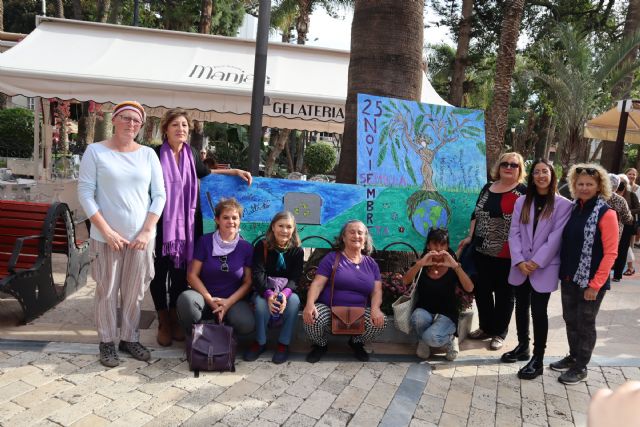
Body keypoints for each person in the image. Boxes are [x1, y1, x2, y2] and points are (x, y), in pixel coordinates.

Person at [150, 108, 251, 347]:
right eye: (176, 125)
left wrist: (234, 171)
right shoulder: (153, 154)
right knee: (158, 274)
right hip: (161, 223)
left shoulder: (192, 154)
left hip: (185, 226)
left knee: (178, 274)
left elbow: (207, 173)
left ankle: (175, 317)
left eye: (184, 125)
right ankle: (163, 319)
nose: (181, 129)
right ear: (166, 129)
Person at [78, 101, 166, 368]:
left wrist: (148, 230)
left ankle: (129, 338)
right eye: (126, 118)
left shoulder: (148, 155)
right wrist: (106, 230)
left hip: (141, 239)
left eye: (136, 121)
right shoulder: (95, 152)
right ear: (114, 120)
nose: (131, 124)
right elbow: (85, 193)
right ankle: (106, 342)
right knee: (106, 290)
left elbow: (159, 195)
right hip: (106, 238)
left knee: (134, 292)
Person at [503, 159, 572, 379]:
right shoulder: (522, 201)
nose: (541, 175)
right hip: (520, 265)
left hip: (543, 267)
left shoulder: (563, 205)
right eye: (536, 172)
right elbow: (513, 232)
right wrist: (520, 260)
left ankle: (538, 358)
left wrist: (536, 261)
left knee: (539, 312)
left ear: (552, 175)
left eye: (545, 172)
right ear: (531, 177)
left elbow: (556, 237)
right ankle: (522, 346)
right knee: (521, 307)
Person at [552, 163, 618, 385]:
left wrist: (596, 284)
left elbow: (611, 253)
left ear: (599, 186)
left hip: (591, 282)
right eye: (580, 183)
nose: (584, 187)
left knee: (585, 323)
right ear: (574, 184)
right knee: (570, 320)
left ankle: (581, 367)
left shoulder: (606, 213)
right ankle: (573, 356)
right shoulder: (573, 208)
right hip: (569, 277)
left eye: (589, 184)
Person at [458, 152, 527, 350]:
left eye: (514, 165)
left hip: (508, 252)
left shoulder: (523, 192)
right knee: (483, 291)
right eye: (505, 163)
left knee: (505, 294)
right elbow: (476, 214)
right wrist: (471, 236)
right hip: (481, 249)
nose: (508, 167)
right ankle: (486, 327)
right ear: (498, 166)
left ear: (519, 169)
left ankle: (499, 332)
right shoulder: (488, 188)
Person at [302, 220, 387, 363]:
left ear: (365, 238)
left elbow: (377, 291)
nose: (356, 235)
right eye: (352, 232)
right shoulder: (332, 259)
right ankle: (320, 345)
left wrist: (375, 308)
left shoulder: (371, 264)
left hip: (359, 312)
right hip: (329, 310)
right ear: (343, 237)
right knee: (312, 319)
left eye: (360, 232)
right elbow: (317, 284)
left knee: (380, 321)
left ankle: (356, 342)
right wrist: (309, 304)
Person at [176, 198, 255, 336]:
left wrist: (228, 303)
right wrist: (210, 300)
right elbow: (192, 275)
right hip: (205, 298)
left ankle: (224, 336)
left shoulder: (246, 247)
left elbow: (248, 282)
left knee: (246, 323)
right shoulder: (205, 241)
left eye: (234, 218)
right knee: (186, 300)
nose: (231, 221)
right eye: (225, 217)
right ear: (217, 220)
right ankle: (197, 338)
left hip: (232, 301)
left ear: (239, 220)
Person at [403, 228, 474, 361]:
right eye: (435, 244)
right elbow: (405, 281)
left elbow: (469, 288)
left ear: (447, 246)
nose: (439, 248)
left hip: (447, 315)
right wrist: (420, 264)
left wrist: (455, 267)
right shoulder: (422, 264)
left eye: (442, 244)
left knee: (432, 337)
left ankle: (451, 339)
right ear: (428, 245)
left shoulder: (453, 266)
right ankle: (424, 341)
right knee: (418, 317)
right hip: (424, 311)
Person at [243, 212, 304, 364]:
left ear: (293, 229)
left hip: (285, 291)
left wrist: (284, 294)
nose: (284, 230)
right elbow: (258, 274)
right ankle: (260, 342)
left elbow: (295, 277)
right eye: (280, 226)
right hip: (265, 289)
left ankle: (283, 344)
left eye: (288, 227)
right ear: (273, 227)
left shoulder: (297, 250)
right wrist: (269, 294)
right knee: (261, 303)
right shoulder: (262, 246)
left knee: (295, 301)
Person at [615, 174, 639, 278]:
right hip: (613, 224)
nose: (620, 184)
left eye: (622, 182)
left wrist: (626, 211)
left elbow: (638, 208)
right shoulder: (611, 194)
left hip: (627, 225)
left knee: (623, 249)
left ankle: (618, 274)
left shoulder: (631, 195)